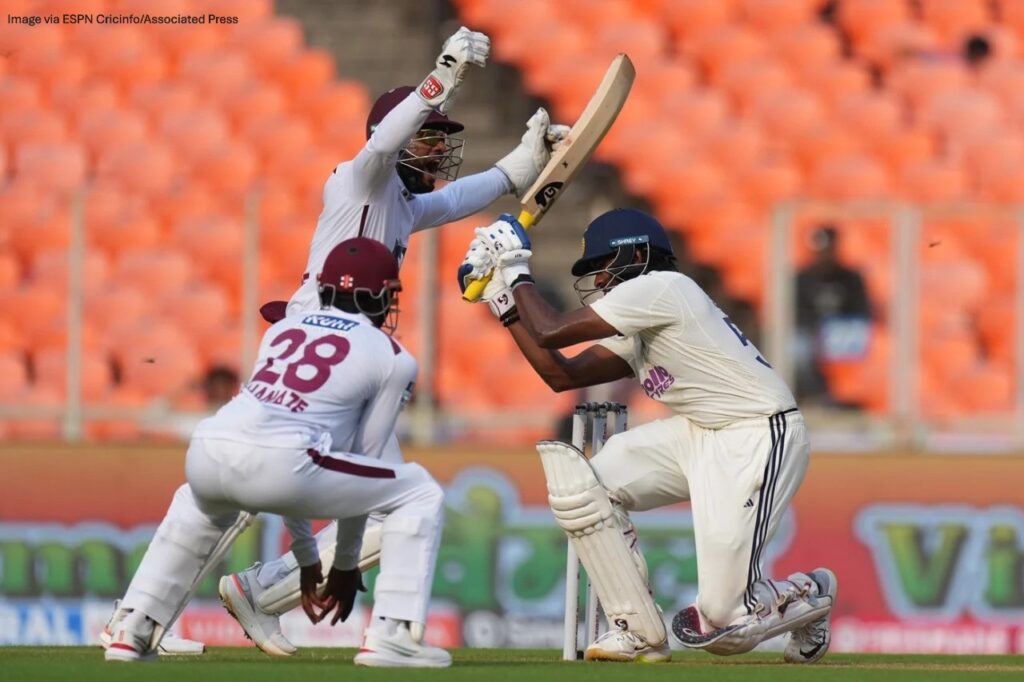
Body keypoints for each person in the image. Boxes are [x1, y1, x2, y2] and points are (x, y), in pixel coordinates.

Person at [212, 25, 569, 656]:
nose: (438, 152)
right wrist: (448, 73)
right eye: (430, 137)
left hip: (343, 351)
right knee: (358, 491)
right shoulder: (359, 179)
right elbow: (383, 144)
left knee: (373, 493)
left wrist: (524, 161)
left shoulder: (402, 204)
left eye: (441, 141)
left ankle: (247, 597)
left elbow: (465, 195)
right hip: (321, 346)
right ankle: (383, 632)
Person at [458, 209, 837, 663]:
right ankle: (637, 628)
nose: (599, 282)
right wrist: (502, 296)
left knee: (722, 625)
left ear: (638, 254)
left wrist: (514, 265)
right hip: (700, 432)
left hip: (757, 433)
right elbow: (559, 374)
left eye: (603, 267)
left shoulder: (661, 288)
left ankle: (810, 593)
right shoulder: (642, 314)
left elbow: (551, 330)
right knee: (585, 486)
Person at [104, 238, 450, 668]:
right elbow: (367, 463)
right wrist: (343, 565)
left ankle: (133, 626)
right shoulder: (393, 356)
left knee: (198, 505)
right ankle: (392, 633)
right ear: (375, 294)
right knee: (418, 491)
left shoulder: (284, 328)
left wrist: (309, 560)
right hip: (284, 464)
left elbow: (276, 441)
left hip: (210, 446)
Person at [794, 225, 871, 407]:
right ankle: (814, 394)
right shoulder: (801, 278)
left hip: (844, 333)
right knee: (798, 346)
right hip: (809, 333)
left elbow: (862, 311)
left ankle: (829, 395)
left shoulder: (851, 278)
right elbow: (793, 313)